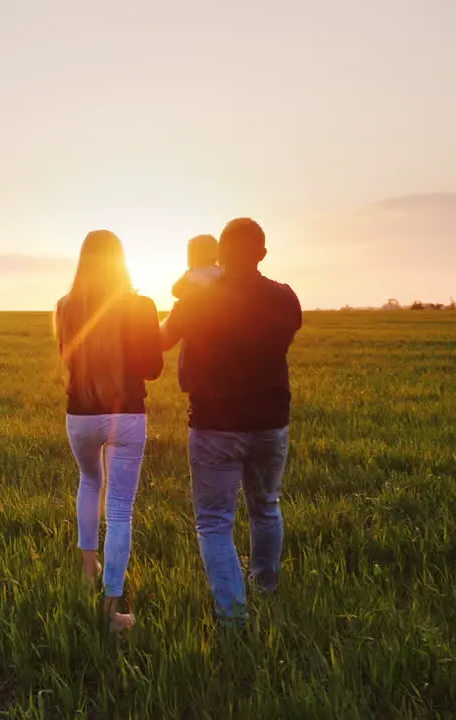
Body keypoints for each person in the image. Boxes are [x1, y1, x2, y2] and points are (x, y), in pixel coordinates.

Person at [160, 218, 302, 625]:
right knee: (266, 507)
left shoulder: (199, 300)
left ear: (220, 254)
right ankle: (267, 588)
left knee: (214, 522)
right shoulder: (286, 298)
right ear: (262, 253)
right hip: (271, 422)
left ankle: (233, 616)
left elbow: (161, 339)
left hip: (215, 426)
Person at [54, 230, 165, 633]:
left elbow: (68, 360)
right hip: (127, 416)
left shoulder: (66, 307)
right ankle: (111, 609)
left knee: (88, 481)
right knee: (119, 510)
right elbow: (153, 368)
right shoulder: (140, 306)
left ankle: (88, 570)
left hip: (80, 415)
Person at [171, 234, 222, 393]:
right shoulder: (223, 272)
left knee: (193, 368)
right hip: (220, 333)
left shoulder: (191, 275)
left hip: (196, 333)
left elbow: (175, 290)